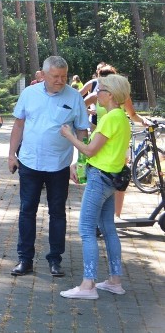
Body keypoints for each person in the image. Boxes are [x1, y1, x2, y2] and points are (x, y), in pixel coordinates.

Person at [8, 56, 89, 278]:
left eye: (64, 76)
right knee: (27, 211)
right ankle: (25, 260)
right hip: (29, 162)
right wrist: (10, 155)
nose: (61, 80)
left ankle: (55, 260)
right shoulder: (29, 94)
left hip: (59, 165)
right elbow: (18, 124)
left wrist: (78, 162)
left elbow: (82, 130)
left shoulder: (74, 97)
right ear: (43, 75)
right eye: (55, 76)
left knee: (58, 213)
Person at [58, 73, 132, 299]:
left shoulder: (110, 118)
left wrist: (68, 135)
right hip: (112, 177)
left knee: (86, 229)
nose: (95, 94)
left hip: (100, 177)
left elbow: (90, 150)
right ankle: (114, 280)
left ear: (109, 94)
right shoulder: (121, 117)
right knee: (108, 228)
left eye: (98, 91)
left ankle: (87, 284)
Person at [79, 64, 149, 218]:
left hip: (115, 137)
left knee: (116, 178)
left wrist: (143, 121)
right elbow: (78, 104)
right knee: (99, 177)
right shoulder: (97, 94)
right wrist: (86, 115)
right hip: (99, 135)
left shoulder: (120, 98)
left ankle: (115, 214)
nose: (99, 87)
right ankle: (104, 214)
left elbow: (133, 115)